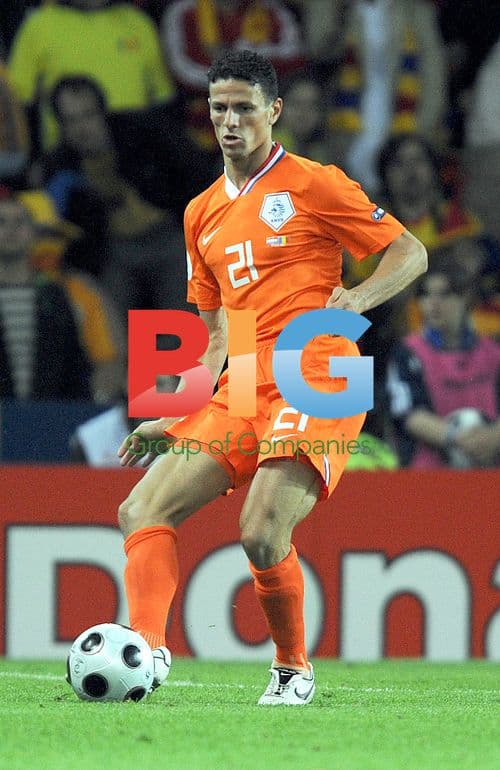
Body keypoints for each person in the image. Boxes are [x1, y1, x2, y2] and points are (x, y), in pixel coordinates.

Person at [117, 49, 427, 705]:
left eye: (243, 108)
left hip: (319, 368)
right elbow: (212, 336)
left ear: (273, 112)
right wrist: (173, 410)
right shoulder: (200, 212)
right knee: (140, 507)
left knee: (260, 531)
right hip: (246, 376)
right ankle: (144, 655)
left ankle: (293, 668)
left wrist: (359, 299)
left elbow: (410, 251)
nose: (230, 122)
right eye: (218, 108)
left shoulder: (316, 183)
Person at [386, 257, 500, 469]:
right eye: (426, 295)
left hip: (491, 473)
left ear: (465, 298)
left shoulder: (493, 351)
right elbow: (406, 412)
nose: (433, 303)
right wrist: (457, 437)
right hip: (430, 476)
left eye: (444, 294)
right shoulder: (408, 352)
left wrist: (494, 437)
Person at [0, 191, 91, 400]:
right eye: (2, 222)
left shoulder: (55, 294)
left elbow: (74, 363)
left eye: (19, 222)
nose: (11, 230)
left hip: (48, 417)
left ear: (33, 233)